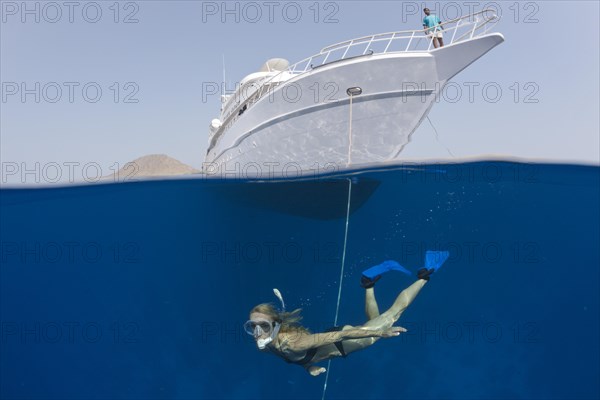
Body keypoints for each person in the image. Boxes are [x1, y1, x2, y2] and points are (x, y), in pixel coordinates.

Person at [244, 266, 438, 377]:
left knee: (392, 316)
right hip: (337, 340)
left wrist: (380, 333)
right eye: (252, 326)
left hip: (346, 342)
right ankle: (368, 284)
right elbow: (296, 357)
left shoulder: (294, 343)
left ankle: (424, 276)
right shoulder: (269, 346)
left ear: (275, 326)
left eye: (263, 326)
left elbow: (341, 335)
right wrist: (309, 368)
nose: (257, 331)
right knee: (373, 320)